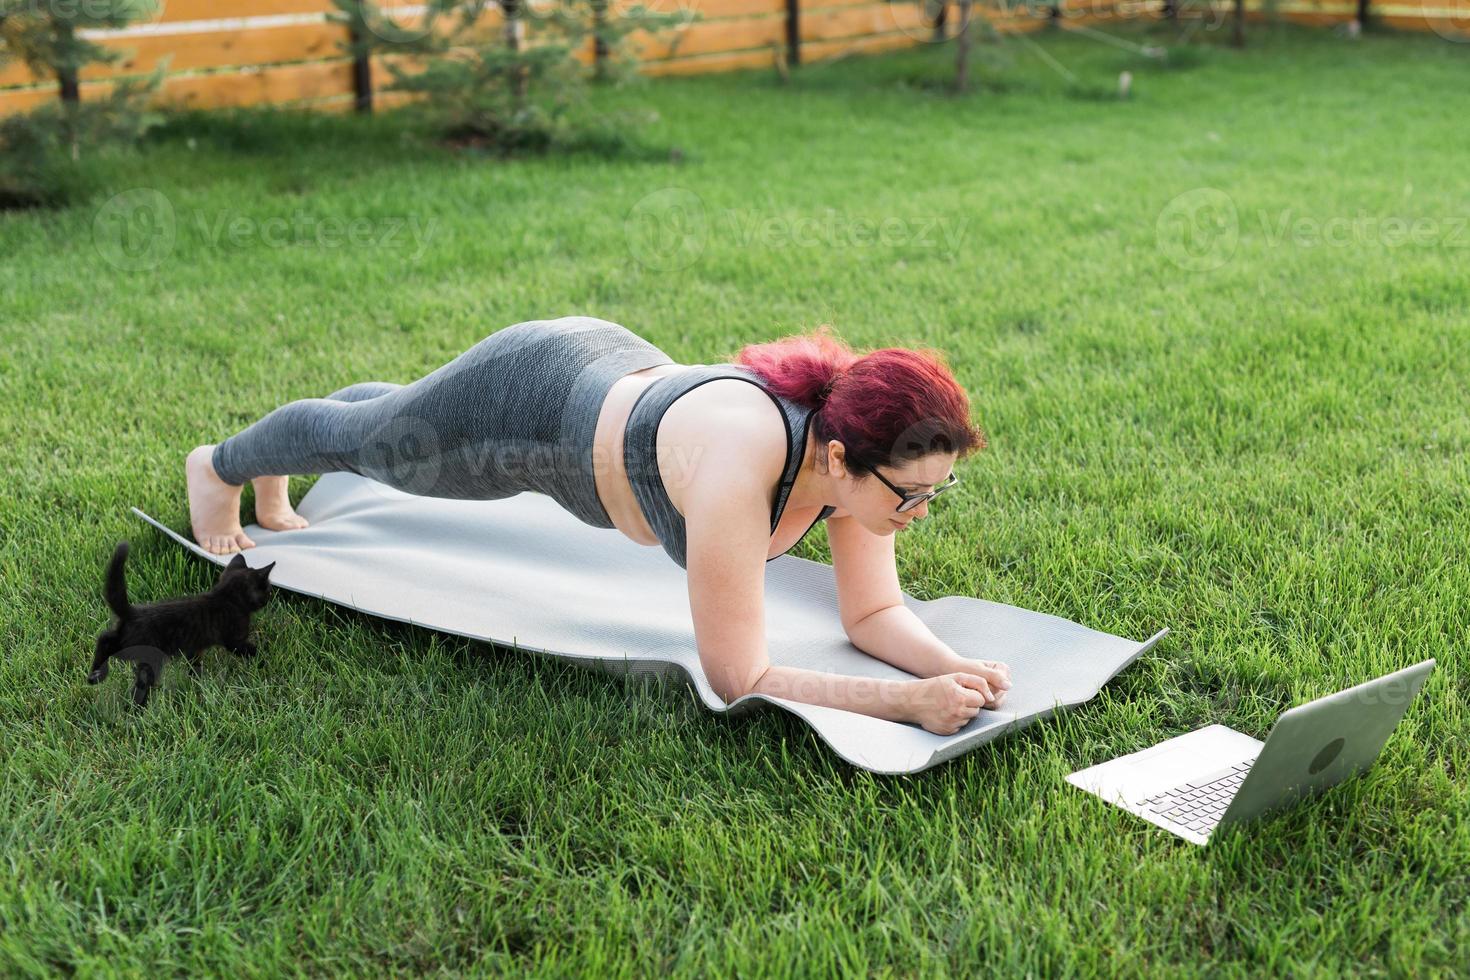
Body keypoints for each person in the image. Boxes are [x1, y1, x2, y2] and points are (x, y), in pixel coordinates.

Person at [185, 315, 1009, 734]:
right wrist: (904, 706)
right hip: (538, 403)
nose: (920, 511)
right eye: (908, 496)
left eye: (936, 491)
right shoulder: (739, 469)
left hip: (611, 372)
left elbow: (869, 615)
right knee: (378, 449)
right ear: (837, 458)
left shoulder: (857, 469)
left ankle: (375, 418)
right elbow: (739, 677)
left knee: (398, 430)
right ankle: (222, 466)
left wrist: (952, 666)